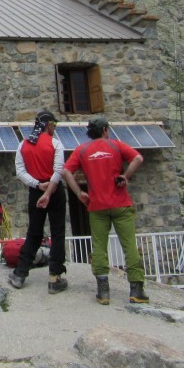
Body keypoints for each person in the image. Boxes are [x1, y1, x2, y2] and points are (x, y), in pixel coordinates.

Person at [61, 116, 148, 305]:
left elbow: (66, 171)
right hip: (120, 204)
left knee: (99, 246)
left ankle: (103, 291)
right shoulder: (116, 145)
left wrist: (79, 193)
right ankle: (136, 290)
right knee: (129, 245)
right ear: (105, 130)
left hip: (96, 205)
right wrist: (125, 176)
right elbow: (138, 158)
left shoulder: (82, 150)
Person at [10, 110, 67, 293]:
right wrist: (49, 190)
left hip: (36, 192)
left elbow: (20, 171)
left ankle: (20, 273)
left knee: (34, 232)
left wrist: (37, 185)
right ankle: (54, 277)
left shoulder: (23, 145)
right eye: (54, 125)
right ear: (48, 125)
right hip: (55, 191)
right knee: (58, 232)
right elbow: (58, 171)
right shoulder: (55, 144)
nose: (54, 128)